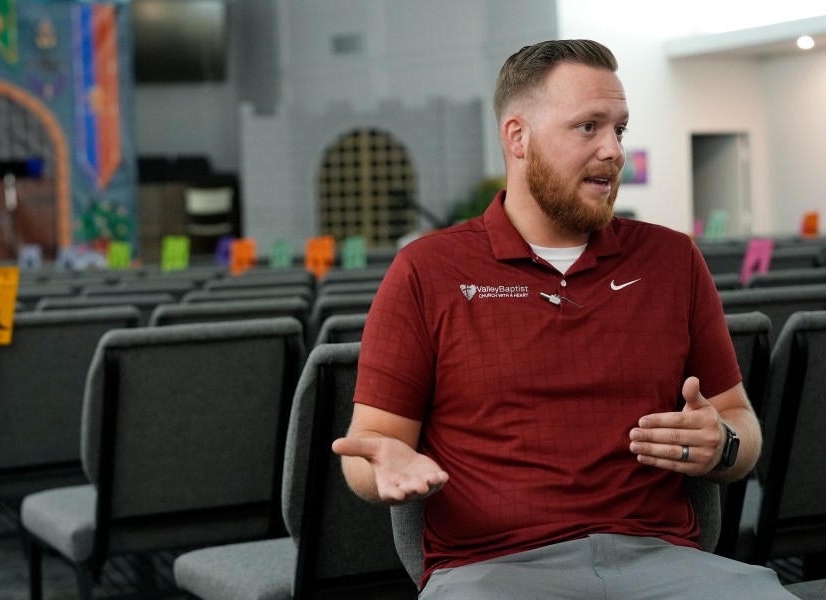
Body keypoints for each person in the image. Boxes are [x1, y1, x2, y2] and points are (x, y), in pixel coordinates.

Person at [332, 39, 798, 599]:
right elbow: (371, 445)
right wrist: (385, 466)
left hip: (663, 561)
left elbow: (740, 426)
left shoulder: (673, 260)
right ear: (518, 137)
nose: (613, 150)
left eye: (619, 129)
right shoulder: (425, 271)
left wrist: (721, 443)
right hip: (495, 572)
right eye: (588, 127)